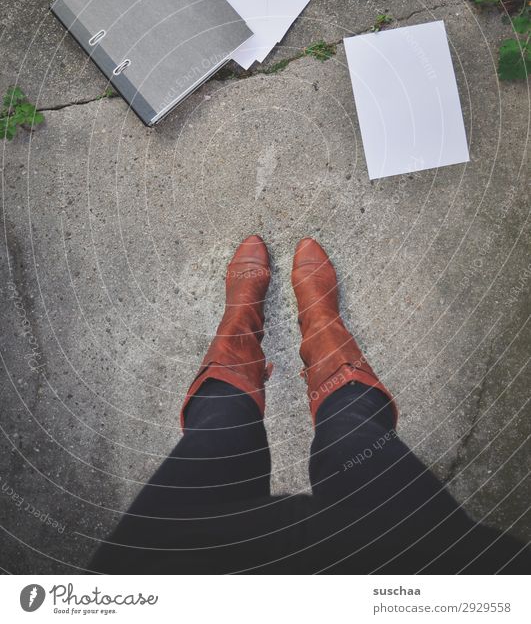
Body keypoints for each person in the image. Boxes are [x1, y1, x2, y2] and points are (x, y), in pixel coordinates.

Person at [91, 236, 529, 574]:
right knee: (355, 435)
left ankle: (241, 328)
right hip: (415, 565)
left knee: (215, 434)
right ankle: (322, 331)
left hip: (171, 567)